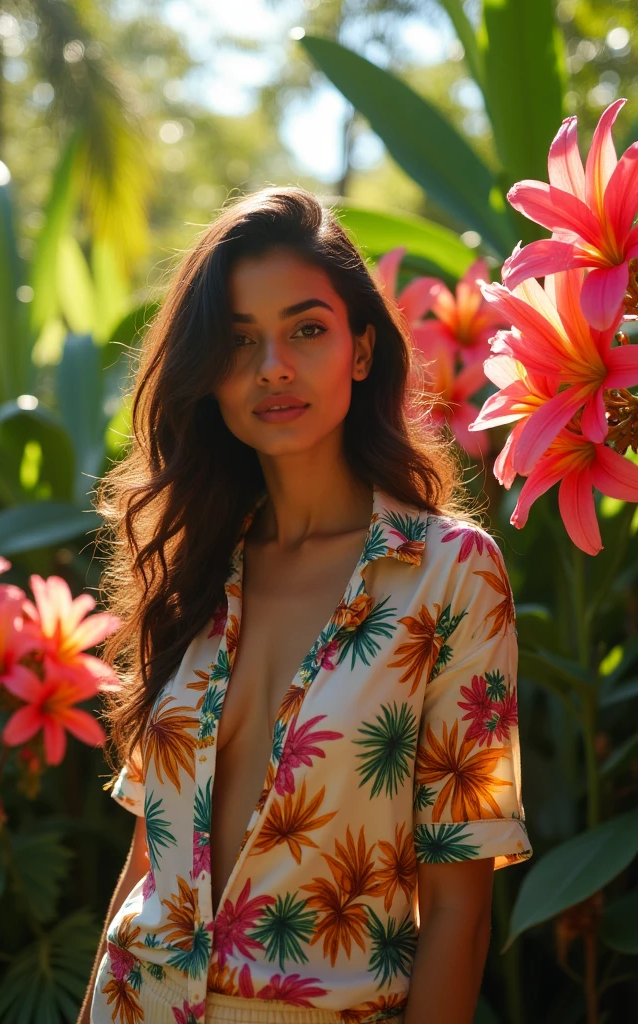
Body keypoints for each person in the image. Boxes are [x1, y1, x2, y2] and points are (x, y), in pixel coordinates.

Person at [79, 186, 532, 1024]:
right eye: (240, 341)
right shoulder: (195, 570)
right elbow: (149, 858)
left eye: (307, 329)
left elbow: (460, 909)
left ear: (362, 351)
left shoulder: (448, 576)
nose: (273, 367)